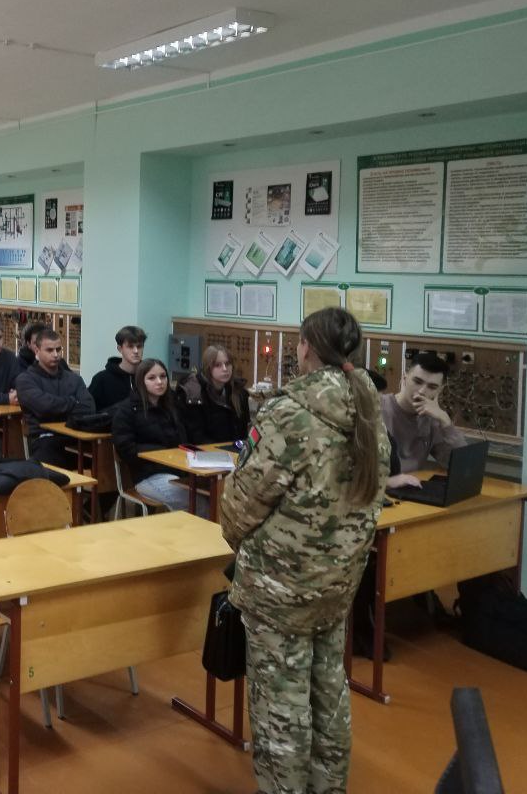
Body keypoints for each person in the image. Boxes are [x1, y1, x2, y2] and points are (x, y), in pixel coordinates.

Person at [221, 309, 390, 794]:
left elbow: (239, 508)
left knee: (281, 705)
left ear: (306, 348)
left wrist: (243, 544)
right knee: (328, 695)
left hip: (280, 590)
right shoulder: (368, 411)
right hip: (337, 584)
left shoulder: (289, 414)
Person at [110, 358, 191, 510]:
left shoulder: (173, 406)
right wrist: (162, 454)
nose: (159, 382)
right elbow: (126, 449)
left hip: (179, 471)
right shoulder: (127, 410)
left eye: (163, 376)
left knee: (210, 493)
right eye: (152, 378)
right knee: (196, 501)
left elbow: (184, 440)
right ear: (141, 381)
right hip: (148, 477)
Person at [380, 351, 467, 489]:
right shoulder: (377, 408)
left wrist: (446, 422)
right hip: (377, 491)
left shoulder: (432, 419)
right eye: (417, 382)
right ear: (404, 378)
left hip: (410, 490)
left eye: (432, 387)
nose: (421, 391)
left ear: (440, 390)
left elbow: (461, 466)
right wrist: (387, 482)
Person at [15, 327, 95, 468]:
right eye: (50, 350)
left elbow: (89, 407)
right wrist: (73, 402)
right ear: (37, 351)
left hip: (74, 438)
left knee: (101, 457)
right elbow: (45, 408)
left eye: (58, 349)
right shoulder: (25, 380)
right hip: (44, 440)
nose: (56, 354)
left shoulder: (74, 379)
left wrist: (58, 406)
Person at [175, 344, 251, 444]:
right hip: (204, 449)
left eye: (228, 364)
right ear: (208, 368)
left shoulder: (239, 392)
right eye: (218, 365)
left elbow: (244, 431)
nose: (225, 369)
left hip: (234, 448)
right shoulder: (193, 393)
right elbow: (195, 436)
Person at [88, 325, 147, 410]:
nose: (136, 351)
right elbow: (89, 412)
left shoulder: (149, 377)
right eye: (130, 346)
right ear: (120, 349)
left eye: (139, 346)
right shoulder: (102, 379)